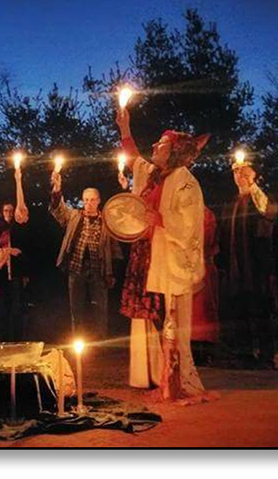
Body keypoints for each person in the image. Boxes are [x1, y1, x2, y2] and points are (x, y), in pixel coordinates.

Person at [116, 105, 209, 400]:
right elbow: (135, 161)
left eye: (162, 143)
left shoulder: (185, 182)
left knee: (173, 322)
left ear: (175, 152)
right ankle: (162, 378)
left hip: (171, 261)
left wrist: (163, 220)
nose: (155, 146)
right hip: (150, 257)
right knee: (155, 318)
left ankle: (180, 382)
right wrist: (125, 129)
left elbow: (191, 224)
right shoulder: (157, 176)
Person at [219, 162, 278, 370]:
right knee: (238, 311)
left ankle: (266, 356)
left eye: (245, 170)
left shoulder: (262, 198)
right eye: (235, 170)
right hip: (235, 267)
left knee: (261, 310)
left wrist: (252, 184)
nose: (240, 174)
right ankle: (244, 354)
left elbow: (266, 210)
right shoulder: (230, 203)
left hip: (257, 267)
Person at [49, 174, 121, 342]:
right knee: (76, 308)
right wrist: (57, 189)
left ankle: (101, 341)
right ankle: (78, 341)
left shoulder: (107, 221)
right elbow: (57, 209)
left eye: (92, 200)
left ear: (99, 201)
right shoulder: (74, 216)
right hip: (76, 268)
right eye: (86, 200)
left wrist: (113, 272)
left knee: (100, 309)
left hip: (98, 269)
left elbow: (115, 248)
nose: (88, 203)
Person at [0, 168, 30, 341]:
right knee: (3, 308)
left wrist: (18, 180)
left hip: (17, 274)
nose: (8, 213)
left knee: (17, 307)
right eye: (5, 211)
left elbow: (25, 249)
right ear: (1, 212)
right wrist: (4, 251)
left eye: (11, 211)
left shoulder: (19, 228)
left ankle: (18, 340)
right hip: (1, 274)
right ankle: (4, 340)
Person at [190, 206, 221, 366]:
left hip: (202, 267)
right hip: (188, 268)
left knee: (203, 311)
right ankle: (196, 352)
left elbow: (206, 239)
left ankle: (205, 352)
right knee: (194, 313)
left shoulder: (205, 214)